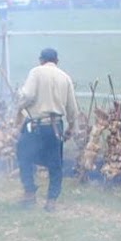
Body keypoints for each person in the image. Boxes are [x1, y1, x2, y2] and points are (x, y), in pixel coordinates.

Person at [15, 47, 78, 210]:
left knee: (24, 156)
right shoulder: (65, 77)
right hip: (55, 127)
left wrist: (19, 105)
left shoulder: (36, 72)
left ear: (41, 60)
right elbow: (72, 108)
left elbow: (27, 96)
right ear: (56, 61)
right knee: (55, 164)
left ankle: (29, 193)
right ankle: (52, 200)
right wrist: (72, 127)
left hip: (35, 126)